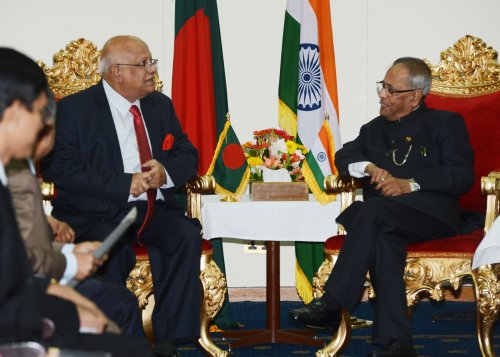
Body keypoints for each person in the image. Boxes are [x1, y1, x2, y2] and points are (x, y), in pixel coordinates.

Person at [289, 57, 475, 357]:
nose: (383, 95)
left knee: (370, 211)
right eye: (383, 87)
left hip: (432, 216)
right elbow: (344, 156)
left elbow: (461, 175)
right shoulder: (372, 129)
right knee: (385, 244)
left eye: (391, 90)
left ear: (415, 96)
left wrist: (410, 183)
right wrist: (369, 167)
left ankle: (334, 301)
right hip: (386, 222)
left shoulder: (445, 123)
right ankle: (395, 343)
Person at [41, 35, 202, 353]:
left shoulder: (160, 105)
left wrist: (163, 173)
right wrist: (123, 183)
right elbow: (60, 167)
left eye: (151, 62)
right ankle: (111, 339)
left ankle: (169, 340)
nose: (151, 70)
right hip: (95, 212)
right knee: (109, 249)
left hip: (152, 209)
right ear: (116, 71)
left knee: (184, 234)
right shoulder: (75, 110)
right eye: (144, 63)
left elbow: (186, 153)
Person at [0, 47, 155, 356]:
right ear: (17, 112)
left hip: (26, 303)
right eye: (41, 115)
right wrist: (68, 304)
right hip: (19, 328)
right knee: (128, 344)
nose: (45, 128)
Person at [7, 96, 143, 336]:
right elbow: (14, 257)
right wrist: (69, 261)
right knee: (117, 308)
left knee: (118, 302)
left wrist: (60, 241)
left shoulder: (20, 166)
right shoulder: (16, 175)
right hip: (20, 296)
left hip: (39, 274)